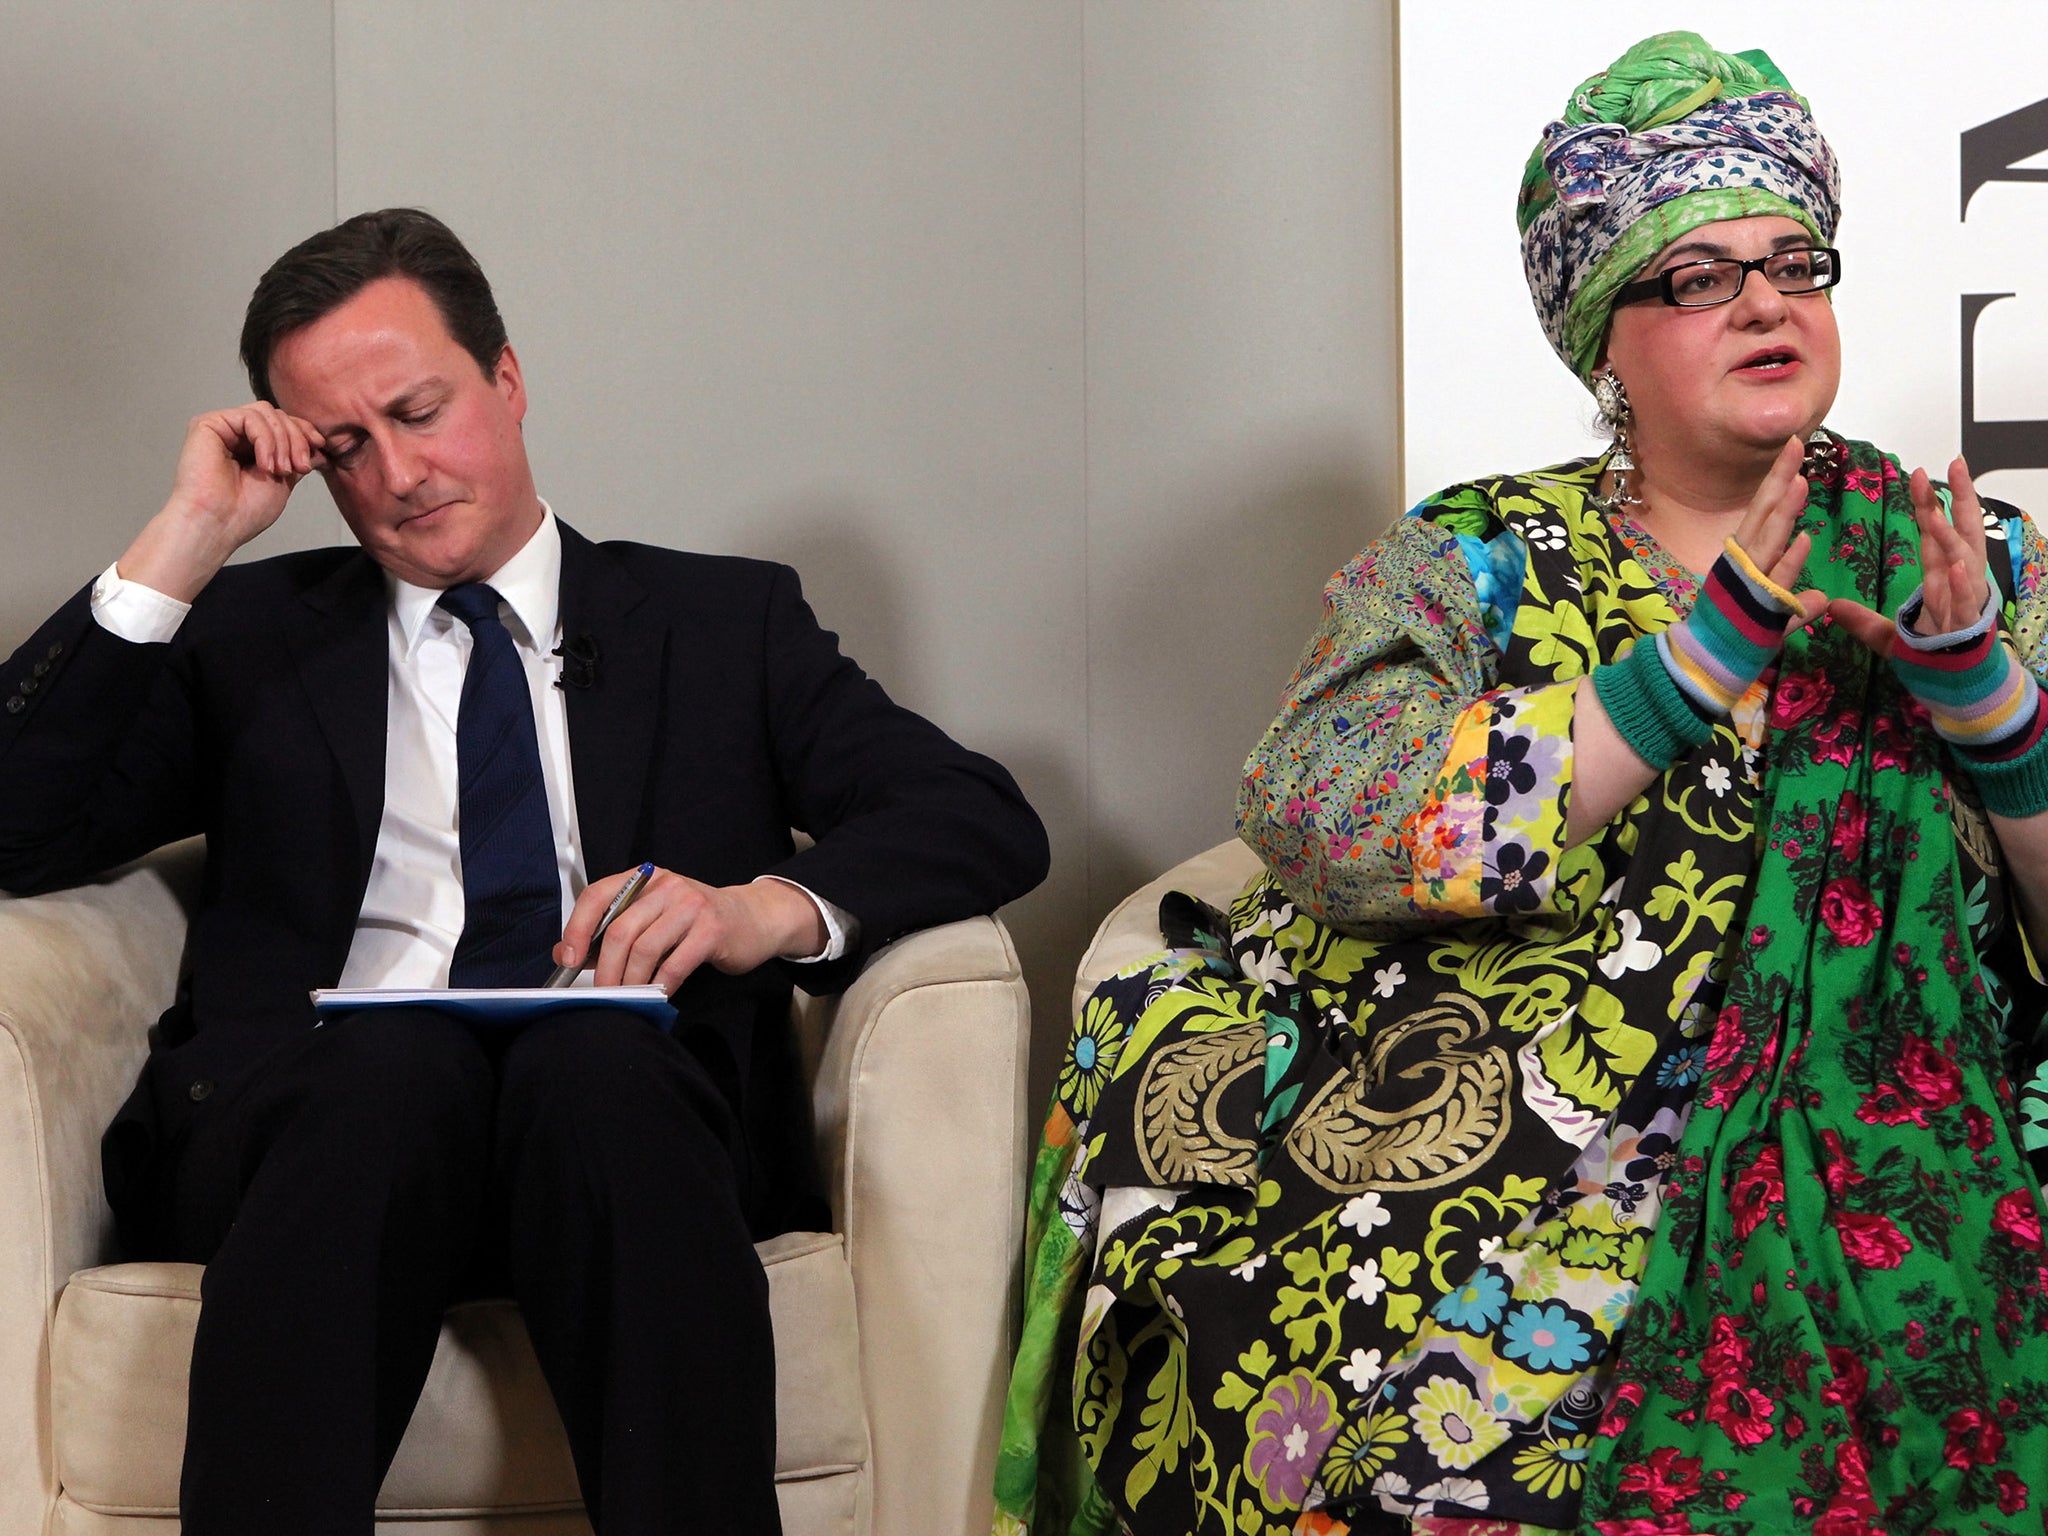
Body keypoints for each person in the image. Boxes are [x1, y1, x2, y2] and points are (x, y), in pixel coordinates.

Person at [995, 32, 2048, 1536]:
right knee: (1400, 1451)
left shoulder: (1968, 558)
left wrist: (1985, 705)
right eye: (1696, 274)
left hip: (1914, 1148)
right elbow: (1322, 809)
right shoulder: (1474, 555)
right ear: (1600, 341)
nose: (1763, 299)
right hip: (1544, 1165)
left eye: (1793, 262)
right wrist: (1679, 677)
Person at [0, 207, 1048, 1535]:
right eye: (344, 448)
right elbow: (14, 826)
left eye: (420, 411)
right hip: (320, 1134)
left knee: (591, 1060)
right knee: (394, 1065)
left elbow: (976, 811)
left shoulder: (721, 626)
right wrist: (189, 539)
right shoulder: (254, 636)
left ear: (506, 379)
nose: (395, 473)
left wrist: (756, 909)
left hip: (631, 1131)